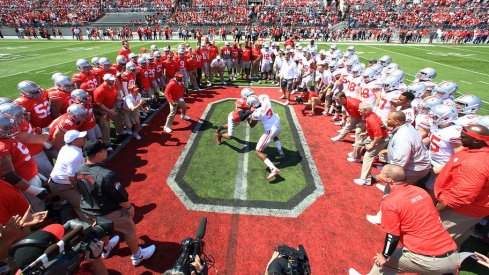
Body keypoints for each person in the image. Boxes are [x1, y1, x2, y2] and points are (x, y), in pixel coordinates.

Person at [366, 164, 458, 275]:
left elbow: (393, 235)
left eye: (382, 173)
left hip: (430, 259)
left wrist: (384, 256)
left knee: (385, 263)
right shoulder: (421, 191)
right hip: (452, 255)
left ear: (389, 180)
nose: (379, 175)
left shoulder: (391, 202)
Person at [75, 140, 155, 265]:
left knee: (101, 230)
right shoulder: (107, 175)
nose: (107, 151)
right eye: (104, 150)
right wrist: (129, 208)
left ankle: (106, 248)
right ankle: (137, 255)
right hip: (107, 211)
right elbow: (121, 197)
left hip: (87, 210)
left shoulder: (79, 169)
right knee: (129, 229)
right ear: (99, 154)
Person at [435, 124, 489, 247]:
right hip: (469, 208)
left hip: (459, 210)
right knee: (455, 237)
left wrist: (436, 210)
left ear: (476, 141)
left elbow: (462, 196)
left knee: (438, 240)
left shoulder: (476, 163)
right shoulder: (475, 149)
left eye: (464, 137)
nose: (460, 138)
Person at [48, 130, 89, 222]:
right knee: (82, 204)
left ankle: (60, 205)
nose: (84, 138)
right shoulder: (76, 155)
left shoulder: (65, 147)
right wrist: (77, 188)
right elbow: (71, 177)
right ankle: (90, 227)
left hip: (54, 181)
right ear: (74, 142)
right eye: (81, 138)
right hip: (61, 186)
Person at [350, 102, 389, 186]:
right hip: (373, 137)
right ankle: (356, 157)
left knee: (368, 156)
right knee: (359, 144)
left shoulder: (371, 119)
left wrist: (371, 145)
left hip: (380, 139)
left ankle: (365, 179)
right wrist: (367, 133)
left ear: (367, 110)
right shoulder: (369, 115)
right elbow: (375, 129)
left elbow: (378, 135)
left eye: (360, 109)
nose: (358, 110)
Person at [247, 94, 284, 181]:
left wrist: (248, 117)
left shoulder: (256, 113)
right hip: (277, 122)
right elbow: (261, 97)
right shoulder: (265, 99)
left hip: (271, 130)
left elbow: (252, 125)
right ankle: (280, 151)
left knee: (258, 151)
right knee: (275, 136)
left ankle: (273, 169)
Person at [93, 74, 126, 146]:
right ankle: (107, 144)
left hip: (111, 107)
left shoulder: (112, 85)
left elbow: (115, 94)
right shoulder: (99, 90)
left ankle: (120, 131)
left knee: (118, 118)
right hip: (101, 111)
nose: (114, 80)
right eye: (112, 79)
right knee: (105, 127)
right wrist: (110, 111)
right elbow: (99, 104)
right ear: (106, 80)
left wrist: (119, 99)